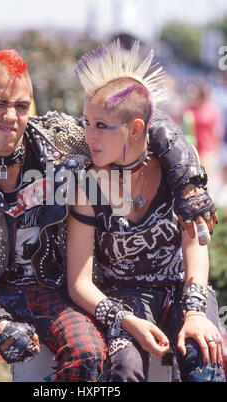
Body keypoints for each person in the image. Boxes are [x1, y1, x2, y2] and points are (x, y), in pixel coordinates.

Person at [0, 47, 218, 382]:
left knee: (87, 355)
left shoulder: (60, 140)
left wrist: (188, 183)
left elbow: (140, 121)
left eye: (21, 105)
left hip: (49, 290)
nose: (10, 115)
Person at [66, 41, 226, 382]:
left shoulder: (178, 171)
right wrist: (127, 321)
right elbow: (78, 282)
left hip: (182, 290)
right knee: (124, 370)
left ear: (136, 128)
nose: (87, 135)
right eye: (86, 122)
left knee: (204, 362)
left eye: (100, 125)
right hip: (123, 299)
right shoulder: (88, 184)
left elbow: (195, 245)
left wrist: (196, 312)